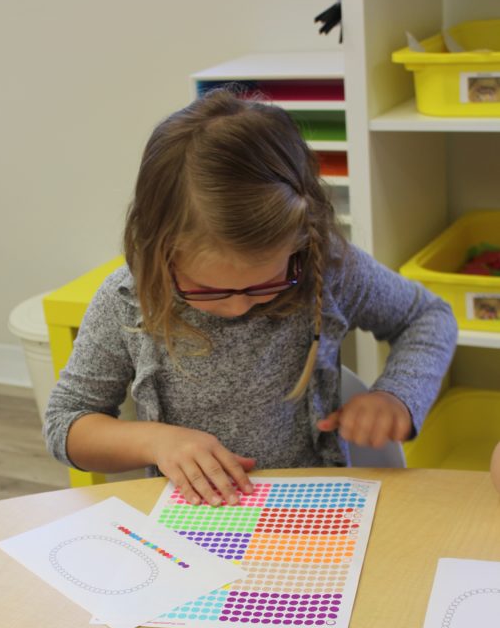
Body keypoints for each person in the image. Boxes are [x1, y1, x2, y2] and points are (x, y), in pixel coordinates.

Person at [45, 90, 457, 505]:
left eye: (266, 283)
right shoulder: (127, 299)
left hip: (311, 506)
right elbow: (66, 422)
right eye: (208, 289)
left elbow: (429, 317)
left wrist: (396, 394)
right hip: (196, 518)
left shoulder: (327, 268)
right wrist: (155, 441)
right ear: (159, 250)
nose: (238, 306)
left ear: (301, 238)